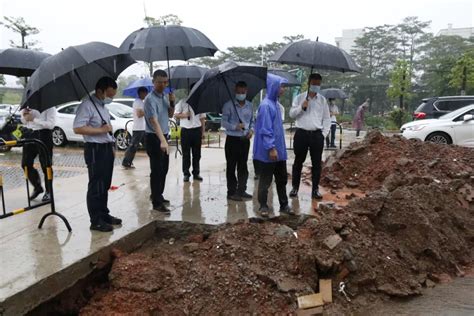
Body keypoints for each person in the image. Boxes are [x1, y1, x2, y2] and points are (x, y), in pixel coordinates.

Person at [73, 77, 122, 232]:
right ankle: (96, 220)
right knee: (96, 185)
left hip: (106, 148)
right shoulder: (87, 105)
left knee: (105, 184)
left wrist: (111, 146)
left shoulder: (102, 107)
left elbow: (107, 129)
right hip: (95, 150)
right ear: (100, 90)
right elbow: (78, 128)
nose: (110, 98)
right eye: (109, 95)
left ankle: (103, 214)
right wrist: (101, 130)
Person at [253, 74, 294, 217]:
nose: (283, 89)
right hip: (268, 152)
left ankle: (284, 205)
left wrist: (278, 150)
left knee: (281, 179)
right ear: (273, 87)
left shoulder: (276, 104)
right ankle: (263, 205)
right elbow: (266, 130)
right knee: (265, 180)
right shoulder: (265, 106)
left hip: (279, 151)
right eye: (281, 86)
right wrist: (271, 148)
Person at [289, 73, 331, 200]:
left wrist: (323, 134)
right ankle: (295, 187)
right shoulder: (299, 98)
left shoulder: (322, 100)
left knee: (316, 164)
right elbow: (291, 114)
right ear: (308, 83)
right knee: (298, 162)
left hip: (316, 135)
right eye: (313, 84)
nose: (315, 86)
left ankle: (315, 190)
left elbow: (327, 118)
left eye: (318, 84)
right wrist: (302, 107)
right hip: (301, 134)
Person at [144, 69, 175, 213]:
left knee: (164, 169)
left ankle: (158, 195)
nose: (162, 85)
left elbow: (170, 114)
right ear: (153, 82)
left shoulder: (163, 97)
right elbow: (154, 121)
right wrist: (162, 140)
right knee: (156, 170)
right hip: (154, 138)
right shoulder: (150, 99)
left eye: (164, 82)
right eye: (159, 82)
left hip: (164, 137)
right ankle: (156, 202)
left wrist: (172, 101)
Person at [221, 81, 254, 201]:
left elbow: (252, 121)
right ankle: (231, 192)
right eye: (239, 92)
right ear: (235, 92)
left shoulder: (250, 105)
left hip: (245, 140)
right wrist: (235, 126)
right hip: (232, 140)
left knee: (243, 166)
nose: (241, 94)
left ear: (246, 92)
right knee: (231, 166)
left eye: (243, 92)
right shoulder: (228, 105)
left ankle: (242, 190)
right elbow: (223, 122)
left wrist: (251, 130)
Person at [20, 106, 56, 202]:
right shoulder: (27, 105)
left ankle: (49, 192)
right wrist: (24, 116)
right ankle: (37, 187)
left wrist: (34, 119)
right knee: (25, 164)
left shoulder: (49, 106)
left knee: (46, 165)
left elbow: (51, 125)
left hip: (44, 134)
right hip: (30, 134)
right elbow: (24, 121)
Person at [122, 87, 148, 169]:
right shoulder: (138, 102)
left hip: (142, 128)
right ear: (141, 93)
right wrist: (148, 111)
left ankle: (127, 161)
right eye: (145, 93)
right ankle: (126, 162)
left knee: (147, 145)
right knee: (133, 146)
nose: (146, 95)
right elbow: (139, 114)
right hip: (138, 128)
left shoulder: (141, 102)